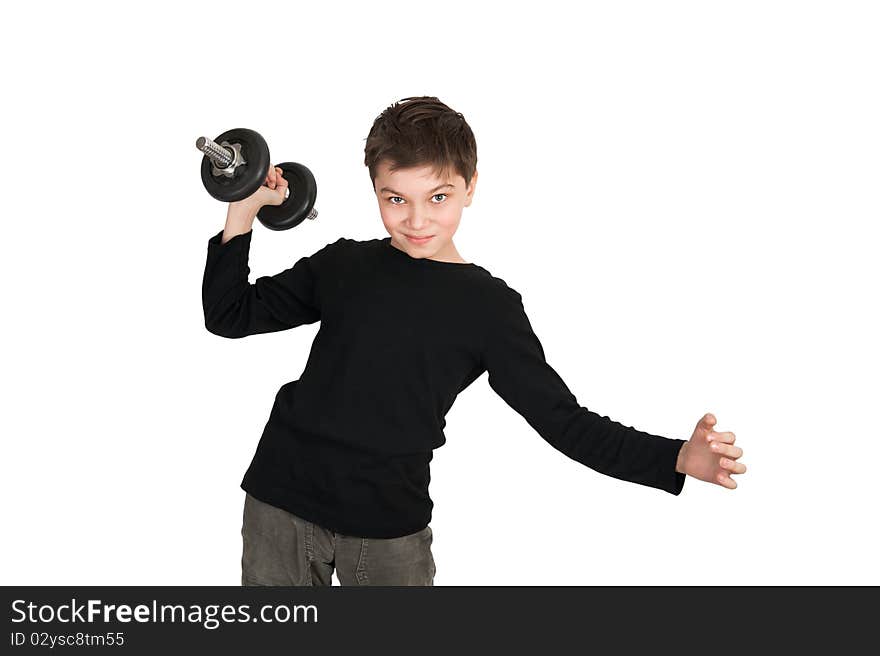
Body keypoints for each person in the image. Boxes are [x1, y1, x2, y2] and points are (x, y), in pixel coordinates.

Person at [201, 96, 747, 587]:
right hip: (281, 502)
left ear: (471, 186)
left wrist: (673, 457)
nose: (416, 219)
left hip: (388, 528)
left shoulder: (488, 308)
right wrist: (243, 212)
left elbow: (564, 421)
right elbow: (229, 314)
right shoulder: (344, 264)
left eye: (438, 197)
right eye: (396, 199)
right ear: (375, 191)